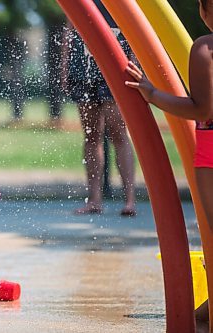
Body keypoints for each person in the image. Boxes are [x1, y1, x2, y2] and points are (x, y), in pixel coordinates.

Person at [126, 0, 212, 329]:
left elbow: (202, 109)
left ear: (205, 10)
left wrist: (153, 94)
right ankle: (206, 311)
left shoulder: (204, 48)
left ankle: (204, 314)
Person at [61, 0, 136, 216]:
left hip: (116, 64)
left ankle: (129, 200)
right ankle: (94, 200)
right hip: (83, 66)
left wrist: (134, 63)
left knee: (118, 131)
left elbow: (134, 29)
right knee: (91, 134)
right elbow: (70, 28)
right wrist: (66, 67)